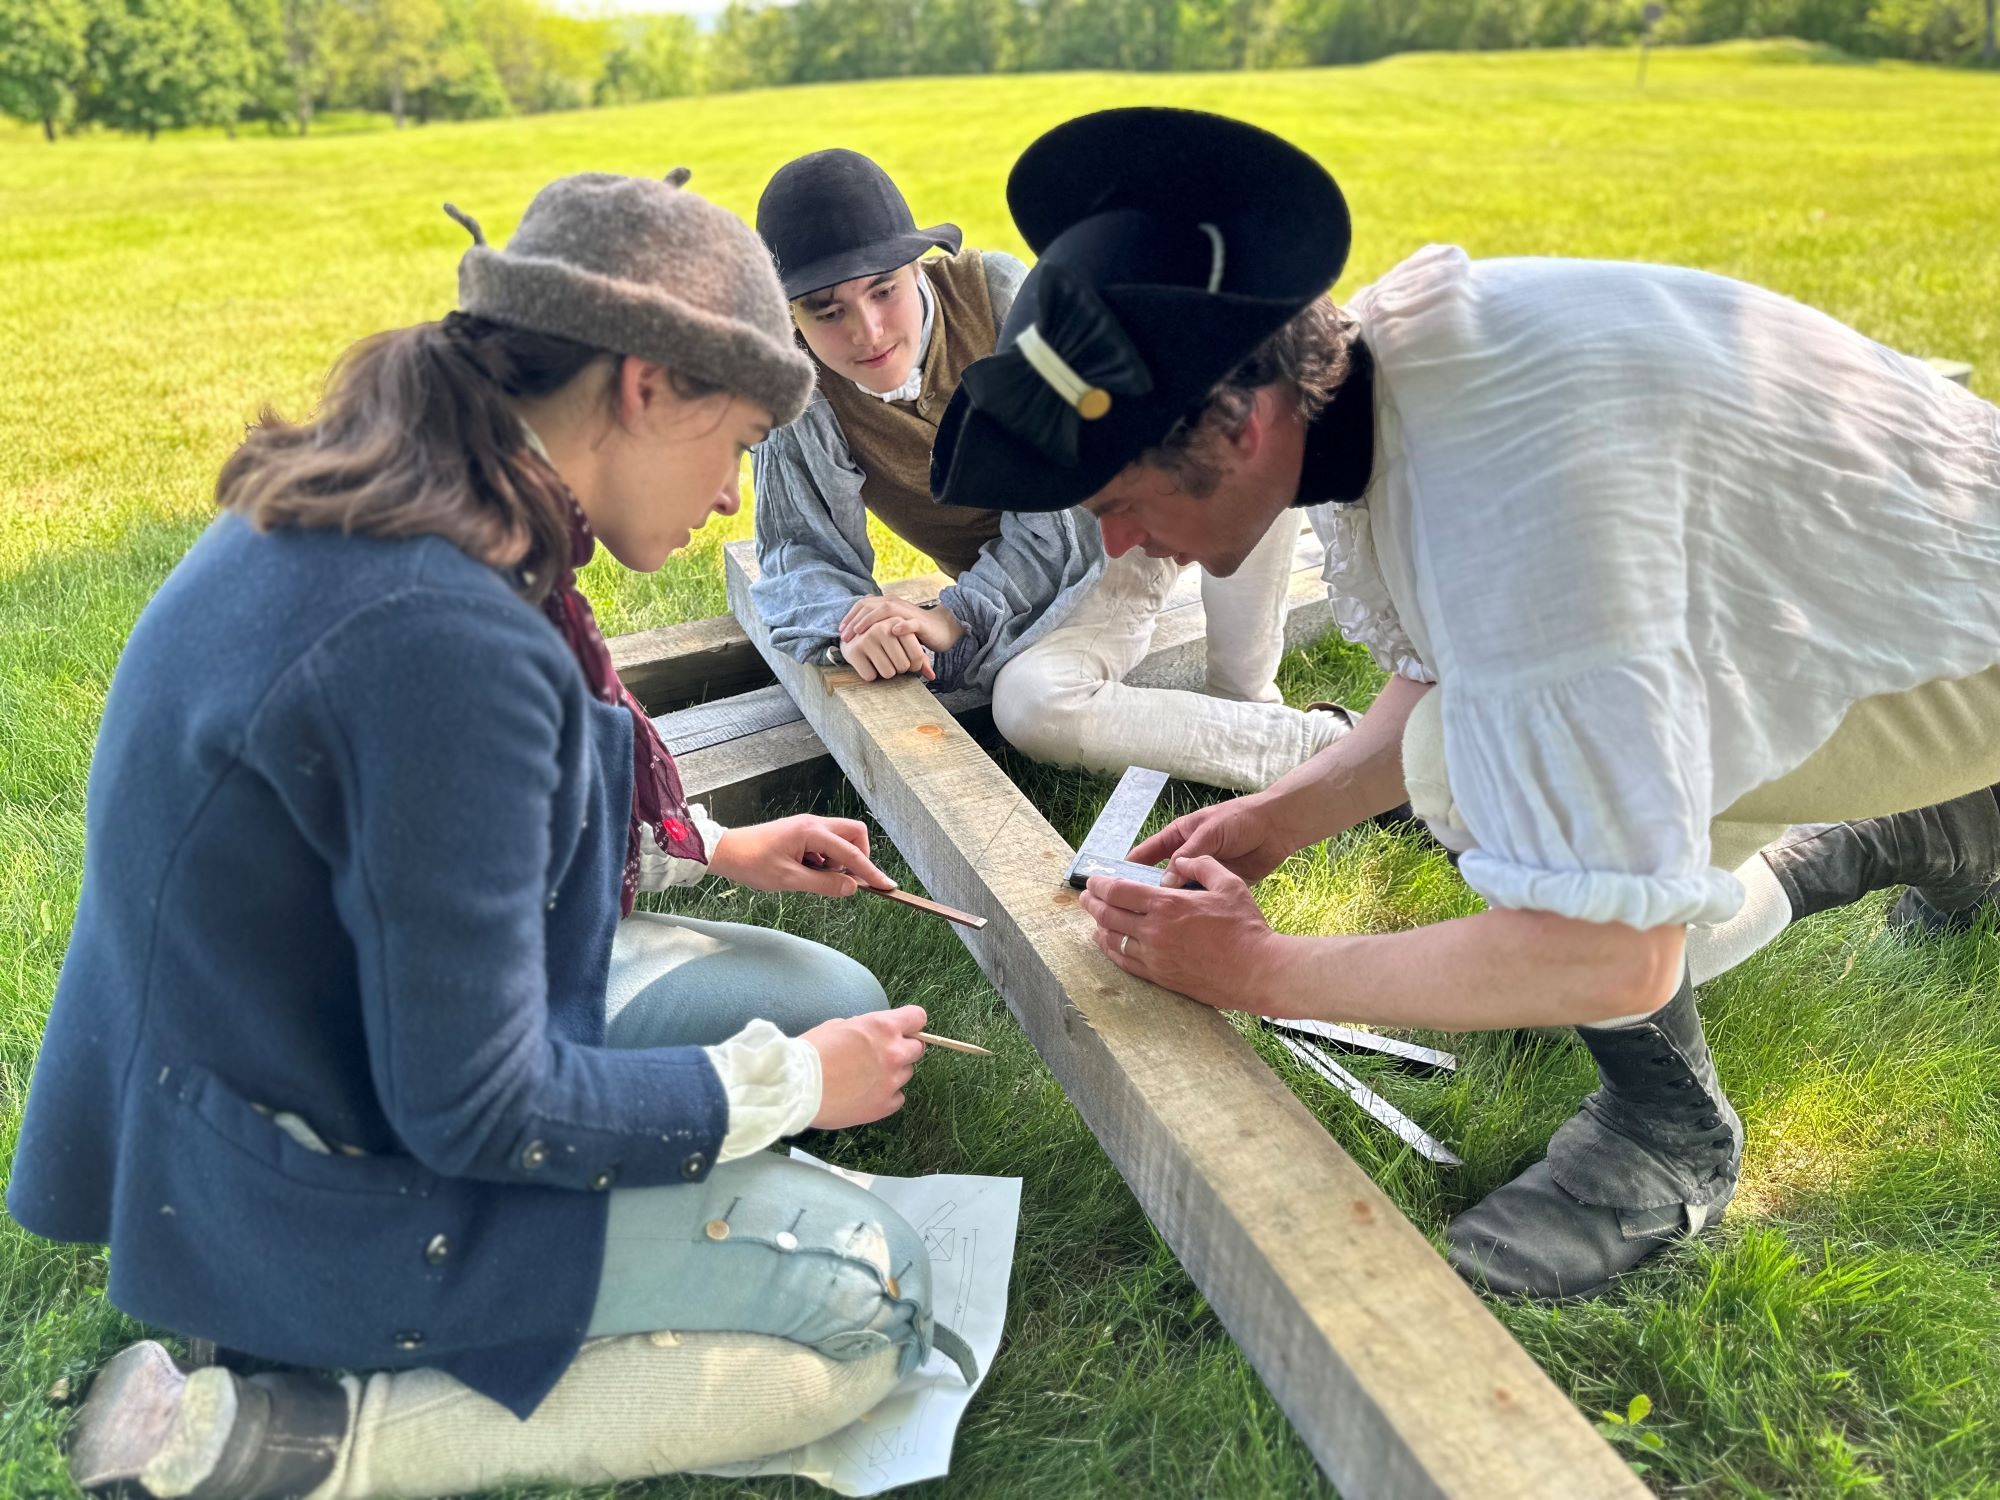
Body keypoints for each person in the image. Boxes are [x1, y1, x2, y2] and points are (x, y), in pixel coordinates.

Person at [10, 168, 976, 1500]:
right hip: (302, 1165)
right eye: (739, 445)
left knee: (814, 993)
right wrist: (790, 1090)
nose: (728, 502)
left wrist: (717, 850)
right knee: (877, 1303)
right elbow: (475, 1106)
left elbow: (446, 847)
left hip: (305, 1039)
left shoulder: (429, 498)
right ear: (646, 386)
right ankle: (281, 1435)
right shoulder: (442, 631)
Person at [931, 108, 2000, 1300]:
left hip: (1961, 651)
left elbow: (1605, 961)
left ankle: (1671, 1135)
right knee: (1470, 761)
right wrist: (1274, 819)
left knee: (1497, 821)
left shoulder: (1516, 499)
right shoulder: (1392, 372)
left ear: (1240, 423)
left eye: (1118, 500)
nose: (1119, 540)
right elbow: (1445, 665)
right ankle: (1944, 827)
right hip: (1858, 581)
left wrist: (1259, 972)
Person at [749, 147, 1356, 792]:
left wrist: (960, 616)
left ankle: (1249, 701)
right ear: (792, 315)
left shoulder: (997, 295)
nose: (867, 332)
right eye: (826, 310)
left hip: (1130, 509)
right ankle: (1323, 746)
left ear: (917, 264)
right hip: (1052, 590)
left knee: (1251, 464)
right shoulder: (795, 385)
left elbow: (1066, 497)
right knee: (1031, 705)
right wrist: (856, 630)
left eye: (883, 290)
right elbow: (798, 552)